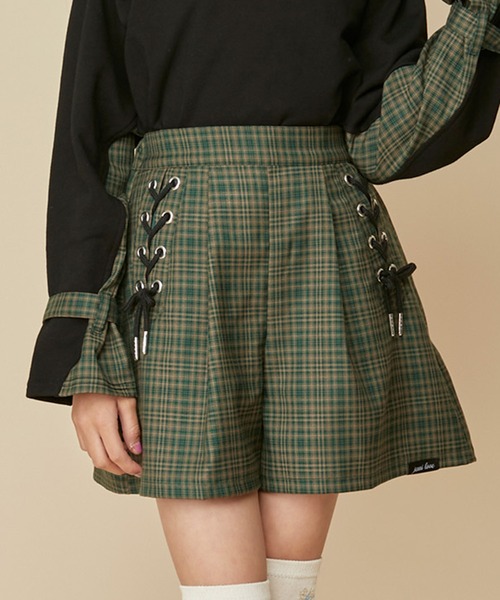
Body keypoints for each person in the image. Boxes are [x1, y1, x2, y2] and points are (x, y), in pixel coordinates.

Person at [25, 1, 499, 599]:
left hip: (320, 246)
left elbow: (382, 140)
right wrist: (87, 350)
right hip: (184, 250)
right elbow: (91, 141)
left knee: (288, 592)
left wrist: (481, 12)